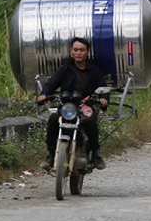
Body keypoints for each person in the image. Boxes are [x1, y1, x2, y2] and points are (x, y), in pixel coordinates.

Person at [37, 37, 109, 171]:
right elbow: (52, 83)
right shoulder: (64, 69)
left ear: (87, 52)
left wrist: (103, 98)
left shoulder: (94, 70)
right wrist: (44, 94)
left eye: (82, 50)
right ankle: (51, 155)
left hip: (86, 106)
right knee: (53, 119)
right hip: (67, 106)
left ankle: (95, 154)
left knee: (90, 121)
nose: (78, 53)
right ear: (71, 51)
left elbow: (102, 86)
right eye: (75, 50)